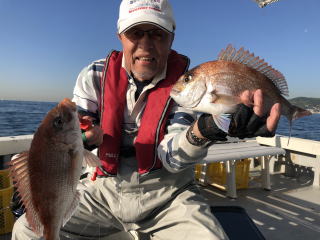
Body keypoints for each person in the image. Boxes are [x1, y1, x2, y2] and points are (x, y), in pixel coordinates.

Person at [11, 0, 281, 239]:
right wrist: (83, 139)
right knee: (26, 230)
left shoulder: (190, 85)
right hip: (103, 189)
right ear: (120, 37)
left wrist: (205, 129)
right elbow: (74, 136)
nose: (146, 44)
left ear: (171, 38)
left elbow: (173, 158)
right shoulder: (93, 75)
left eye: (157, 34)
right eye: (135, 33)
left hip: (169, 194)